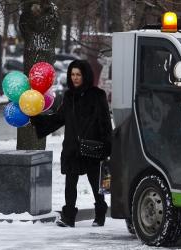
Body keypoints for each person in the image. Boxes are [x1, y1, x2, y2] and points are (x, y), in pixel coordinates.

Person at [31, 60, 112, 227]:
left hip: (93, 147)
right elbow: (59, 118)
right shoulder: (69, 96)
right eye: (72, 74)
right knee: (70, 182)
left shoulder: (97, 95)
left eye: (78, 75)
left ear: (85, 76)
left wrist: (107, 146)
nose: (75, 78)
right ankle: (68, 217)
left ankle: (100, 213)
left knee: (95, 183)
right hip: (72, 148)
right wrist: (37, 119)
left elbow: (105, 122)